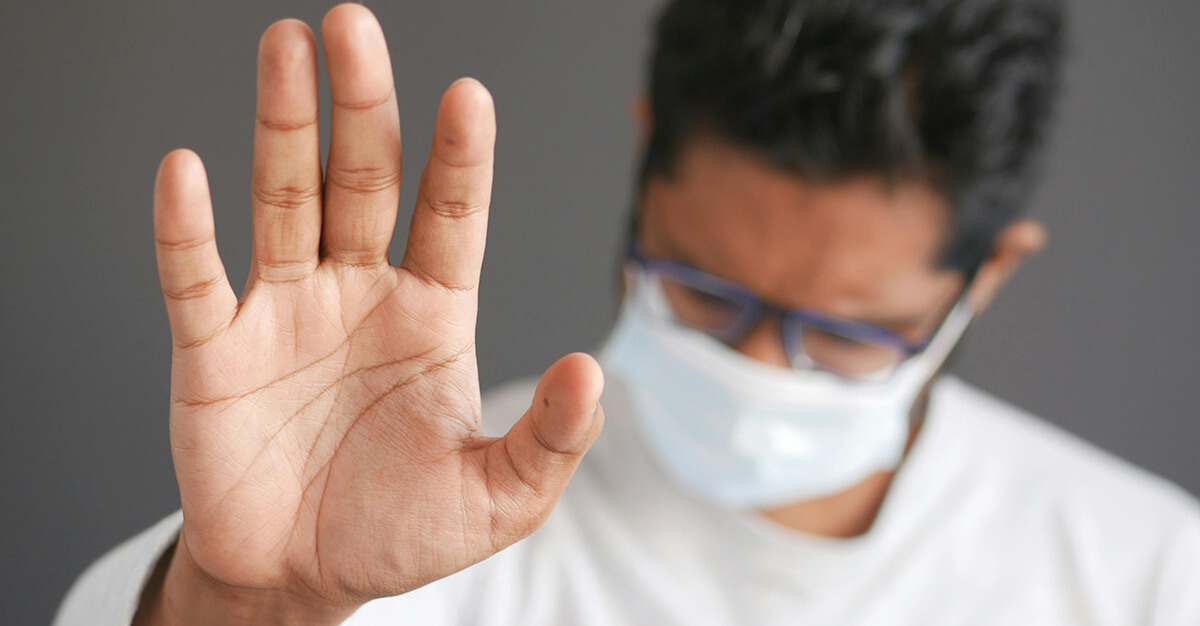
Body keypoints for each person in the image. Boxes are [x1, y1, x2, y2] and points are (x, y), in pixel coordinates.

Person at [55, 1, 1200, 624]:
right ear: (645, 163)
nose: (759, 368)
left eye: (845, 331)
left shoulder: (1151, 575)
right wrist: (257, 606)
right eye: (702, 292)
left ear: (988, 271)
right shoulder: (405, 543)